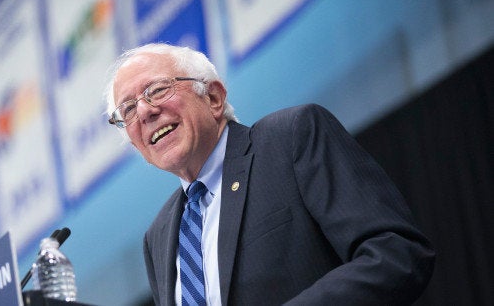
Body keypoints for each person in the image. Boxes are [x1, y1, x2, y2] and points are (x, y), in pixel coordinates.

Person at [104, 43, 435, 305]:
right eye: (128, 110)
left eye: (158, 90)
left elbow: (396, 255)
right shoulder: (158, 235)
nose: (145, 111)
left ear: (214, 97)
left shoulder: (290, 139)